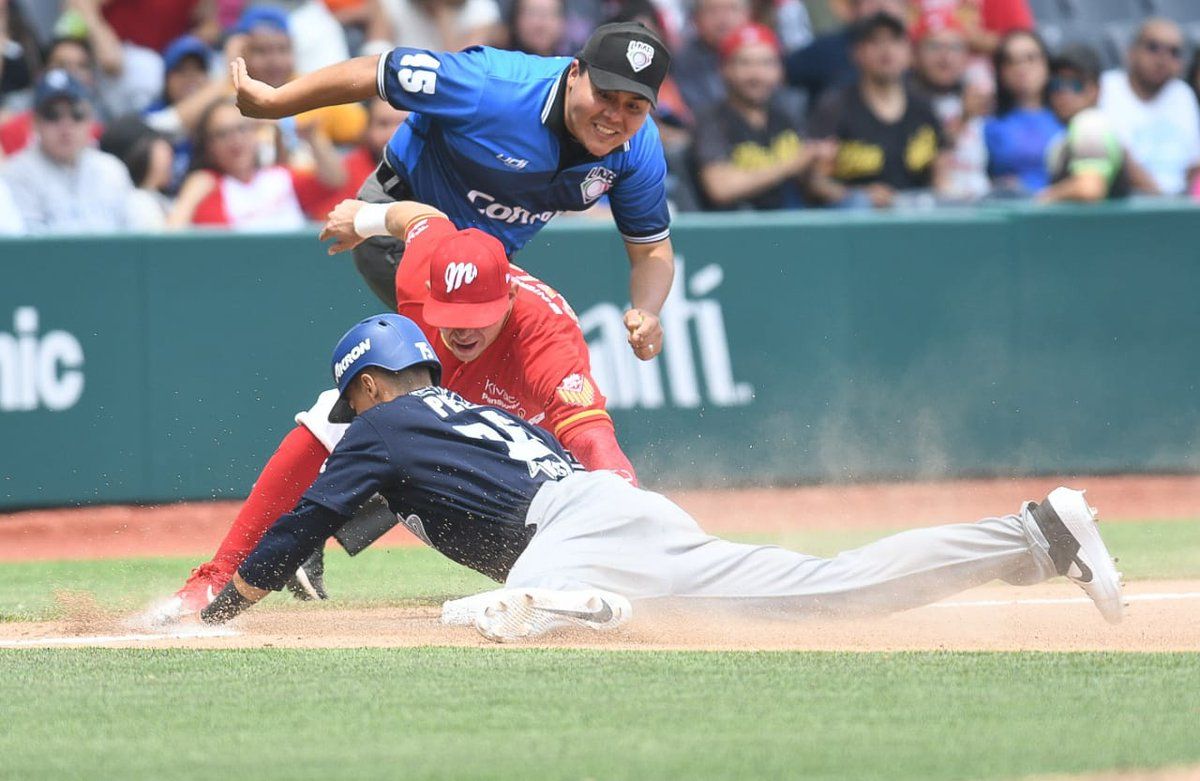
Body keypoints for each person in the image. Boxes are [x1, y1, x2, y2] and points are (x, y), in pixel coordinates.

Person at [195, 312, 1126, 642]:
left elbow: (292, 526)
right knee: (822, 590)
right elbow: (348, 520)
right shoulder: (453, 416)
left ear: (363, 383)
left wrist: (222, 611)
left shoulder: (378, 424)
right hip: (610, 511)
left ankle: (587, 606)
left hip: (570, 537)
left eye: (348, 400)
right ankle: (1037, 534)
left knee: (507, 620)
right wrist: (316, 549)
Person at [156, 197, 639, 617]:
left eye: (478, 318)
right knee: (334, 416)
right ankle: (215, 576)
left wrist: (626, 509)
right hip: (438, 395)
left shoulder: (546, 338)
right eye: (452, 317)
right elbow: (420, 218)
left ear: (509, 297)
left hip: (510, 440)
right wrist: (362, 218)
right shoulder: (419, 272)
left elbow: (590, 433)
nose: (463, 331)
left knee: (533, 548)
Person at [228, 21, 675, 363]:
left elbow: (651, 251)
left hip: (482, 258)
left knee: (531, 358)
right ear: (575, 73)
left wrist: (649, 312)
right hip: (396, 222)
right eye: (605, 96)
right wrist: (275, 103)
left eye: (633, 106)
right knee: (468, 363)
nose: (615, 116)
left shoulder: (638, 148)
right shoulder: (491, 86)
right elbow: (377, 71)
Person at [807, 12, 950, 209]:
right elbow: (814, 182)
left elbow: (941, 168)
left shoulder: (923, 107)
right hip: (857, 219)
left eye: (895, 41)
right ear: (857, 53)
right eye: (874, 42)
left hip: (915, 210)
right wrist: (857, 195)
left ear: (909, 52)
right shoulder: (836, 106)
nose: (886, 50)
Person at [692, 23, 825, 210]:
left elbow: (814, 185)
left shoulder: (786, 113)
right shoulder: (711, 119)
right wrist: (790, 165)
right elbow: (720, 188)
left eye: (766, 63)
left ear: (780, 70)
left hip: (793, 222)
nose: (756, 74)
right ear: (724, 69)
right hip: (739, 229)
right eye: (745, 63)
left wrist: (819, 164)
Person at [166, 96, 345, 229]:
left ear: (256, 132)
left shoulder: (280, 176)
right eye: (222, 134)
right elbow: (173, 230)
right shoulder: (208, 185)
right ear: (209, 146)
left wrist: (311, 136)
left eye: (242, 129)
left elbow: (334, 181)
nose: (235, 140)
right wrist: (193, 190)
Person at [1, 69, 137, 233]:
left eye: (76, 114)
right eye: (53, 115)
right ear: (35, 122)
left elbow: (133, 236)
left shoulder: (112, 169)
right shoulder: (16, 173)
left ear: (90, 119)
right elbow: (27, 249)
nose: (66, 125)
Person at [1098, 18, 1200, 197]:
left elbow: (1194, 165)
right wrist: (1163, 200)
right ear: (1130, 52)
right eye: (1153, 47)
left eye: (1174, 52)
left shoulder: (1183, 94)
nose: (1163, 59)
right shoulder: (1106, 87)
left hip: (1180, 204)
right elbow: (1117, 158)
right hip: (1126, 204)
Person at [908, 8, 990, 201]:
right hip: (929, 203)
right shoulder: (904, 102)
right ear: (914, 55)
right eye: (934, 47)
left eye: (954, 47)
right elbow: (919, 162)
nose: (945, 57)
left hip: (983, 199)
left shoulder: (979, 96)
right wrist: (964, 118)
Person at [1039, 45, 1129, 204]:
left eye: (1076, 84)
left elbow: (1090, 188)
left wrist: (1044, 197)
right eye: (1056, 84)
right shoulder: (1071, 133)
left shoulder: (1090, 124)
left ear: (1096, 89)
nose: (1064, 93)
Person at [783, 0, 907, 112]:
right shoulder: (826, 50)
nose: (882, 6)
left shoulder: (919, 48)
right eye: (870, 0)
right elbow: (780, 74)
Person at [983, 30, 1059, 196]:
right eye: (1011, 62)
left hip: (1062, 213)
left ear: (1047, 65)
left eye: (1030, 58)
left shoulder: (1068, 117)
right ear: (1000, 72)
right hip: (1008, 212)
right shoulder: (986, 123)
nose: (1021, 68)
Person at [0, 36, 104, 155]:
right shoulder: (12, 130)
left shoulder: (100, 136)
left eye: (81, 65)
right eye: (52, 115)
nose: (71, 71)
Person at [672, 0, 751, 115]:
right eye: (712, 11)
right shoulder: (681, 62)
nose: (723, 20)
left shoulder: (764, 51)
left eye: (732, 9)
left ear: (748, 14)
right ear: (696, 19)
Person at [98, 114, 175, 229]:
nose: (169, 150)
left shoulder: (155, 198)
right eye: (157, 143)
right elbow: (167, 243)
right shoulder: (138, 203)